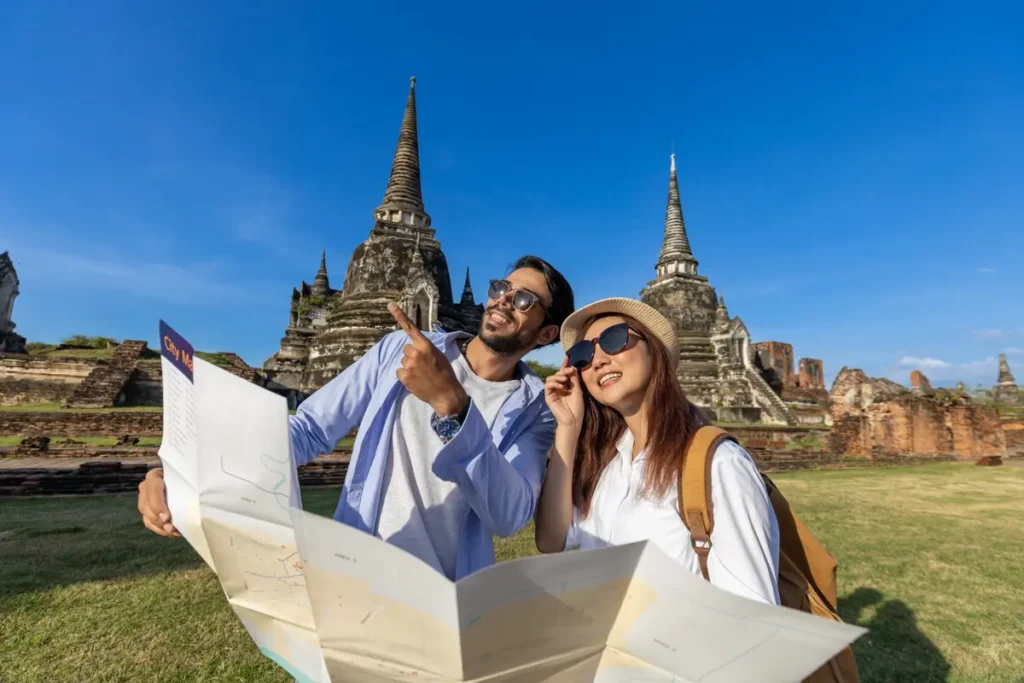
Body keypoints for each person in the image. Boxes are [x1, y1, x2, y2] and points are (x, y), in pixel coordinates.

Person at [138, 255, 575, 581]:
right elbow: (307, 430)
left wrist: (454, 407)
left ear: (545, 334)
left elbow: (510, 516)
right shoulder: (397, 351)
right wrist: (184, 471)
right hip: (355, 567)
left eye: (523, 299)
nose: (502, 300)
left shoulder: (535, 409)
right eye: (501, 287)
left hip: (446, 591)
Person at [534, 297, 781, 605]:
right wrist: (568, 428)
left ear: (654, 350)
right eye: (583, 354)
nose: (597, 360)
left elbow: (753, 614)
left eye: (614, 340)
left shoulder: (717, 463)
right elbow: (550, 540)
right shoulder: (607, 464)